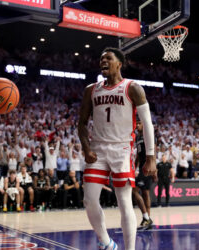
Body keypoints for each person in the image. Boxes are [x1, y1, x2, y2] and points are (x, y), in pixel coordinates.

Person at [78, 47, 156, 250]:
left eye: (108, 58)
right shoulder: (91, 89)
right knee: (89, 199)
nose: (103, 61)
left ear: (119, 63)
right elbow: (81, 123)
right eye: (101, 58)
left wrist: (151, 157)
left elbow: (147, 123)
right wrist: (86, 149)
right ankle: (106, 242)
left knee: (124, 201)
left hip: (122, 149)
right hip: (98, 149)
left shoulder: (133, 87)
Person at [133, 119, 153, 230]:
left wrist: (153, 167)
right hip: (141, 167)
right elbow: (138, 155)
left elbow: (153, 150)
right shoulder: (138, 138)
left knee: (137, 190)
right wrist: (135, 166)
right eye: (137, 123)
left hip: (147, 167)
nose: (137, 125)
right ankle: (147, 219)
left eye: (139, 123)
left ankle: (147, 218)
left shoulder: (147, 135)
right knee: (144, 193)